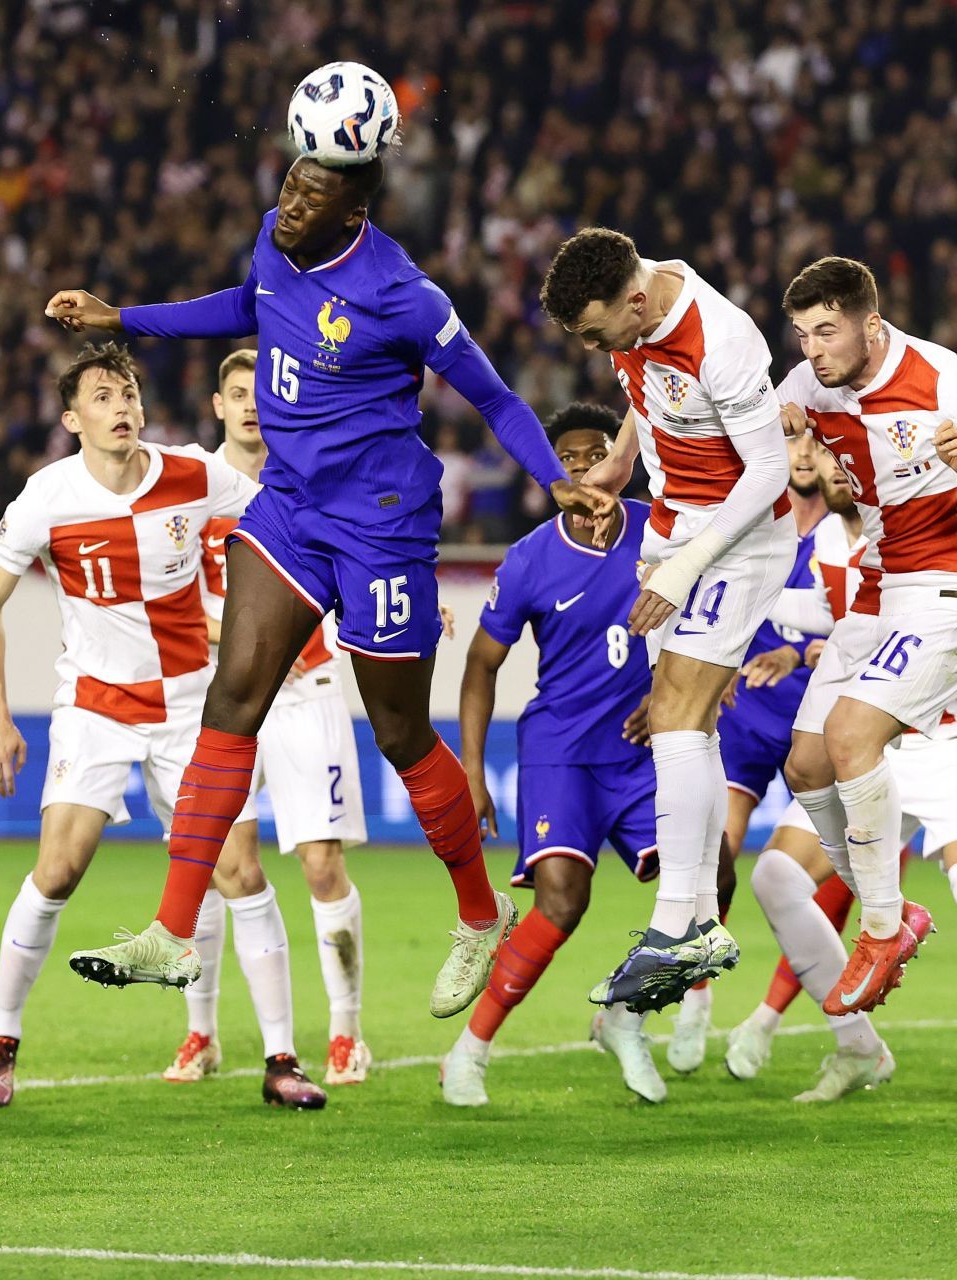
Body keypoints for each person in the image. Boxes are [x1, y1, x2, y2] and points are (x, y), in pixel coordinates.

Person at [44, 125, 616, 1013]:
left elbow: (495, 395)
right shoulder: (275, 249)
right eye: (289, 185)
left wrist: (553, 480)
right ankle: (172, 928)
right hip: (291, 509)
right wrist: (121, 318)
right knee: (233, 699)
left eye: (311, 197)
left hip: (384, 528)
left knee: (398, 734)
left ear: (354, 209)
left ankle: (478, 911)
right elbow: (242, 305)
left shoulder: (404, 295)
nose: (288, 205)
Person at [0, 342, 325, 1111]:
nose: (121, 405)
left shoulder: (194, 474)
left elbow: (282, 505)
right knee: (59, 868)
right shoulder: (46, 497)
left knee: (241, 873)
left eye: (127, 391)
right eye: (102, 396)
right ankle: (0, 1042)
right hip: (95, 706)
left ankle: (282, 1059)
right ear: (73, 419)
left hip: (192, 707)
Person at [731, 454, 957, 1112]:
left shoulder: (926, 524)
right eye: (826, 455)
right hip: (864, 745)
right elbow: (824, 627)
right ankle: (858, 1046)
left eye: (848, 452)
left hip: (942, 733)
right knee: (773, 876)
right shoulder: (821, 541)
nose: (836, 466)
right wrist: (801, 651)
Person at [774, 255, 957, 1017]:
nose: (812, 351)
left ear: (871, 323)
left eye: (826, 332)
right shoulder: (808, 384)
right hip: (880, 592)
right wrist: (781, 433)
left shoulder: (941, 375)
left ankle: (882, 928)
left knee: (851, 734)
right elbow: (757, 441)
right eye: (801, 336)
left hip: (956, 592)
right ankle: (889, 907)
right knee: (805, 763)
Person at [537, 227, 795, 1012]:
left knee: (677, 717)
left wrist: (686, 568)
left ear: (637, 301)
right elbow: (644, 397)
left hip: (740, 542)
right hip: (673, 530)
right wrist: (619, 463)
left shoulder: (722, 341)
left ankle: (675, 924)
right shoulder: (637, 316)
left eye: (593, 332)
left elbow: (771, 471)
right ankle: (705, 920)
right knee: (692, 731)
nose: (592, 347)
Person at [441, 403, 661, 1106]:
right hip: (560, 748)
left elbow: (715, 615)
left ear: (621, 462)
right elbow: (480, 667)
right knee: (564, 900)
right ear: (552, 477)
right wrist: (472, 773)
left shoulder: (663, 532)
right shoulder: (531, 558)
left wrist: (674, 692)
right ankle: (468, 1052)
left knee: (711, 879)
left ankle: (624, 1014)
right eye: (567, 459)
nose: (583, 467)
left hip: (640, 750)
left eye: (596, 452)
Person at [167, 348, 372, 1088]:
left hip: (304, 691)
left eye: (263, 393)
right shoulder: (190, 487)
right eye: (237, 393)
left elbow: (356, 566)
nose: (252, 405)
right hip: (218, 700)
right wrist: (250, 642)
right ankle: (202, 1033)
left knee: (321, 866)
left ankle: (347, 1030)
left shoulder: (312, 481)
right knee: (222, 867)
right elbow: (173, 599)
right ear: (218, 405)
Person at [663, 429, 833, 1072]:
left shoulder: (852, 529)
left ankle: (768, 1018)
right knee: (718, 853)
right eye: (792, 439)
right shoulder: (755, 522)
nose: (805, 453)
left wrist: (802, 650)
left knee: (812, 880)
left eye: (816, 440)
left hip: (825, 719)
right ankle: (695, 1002)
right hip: (753, 710)